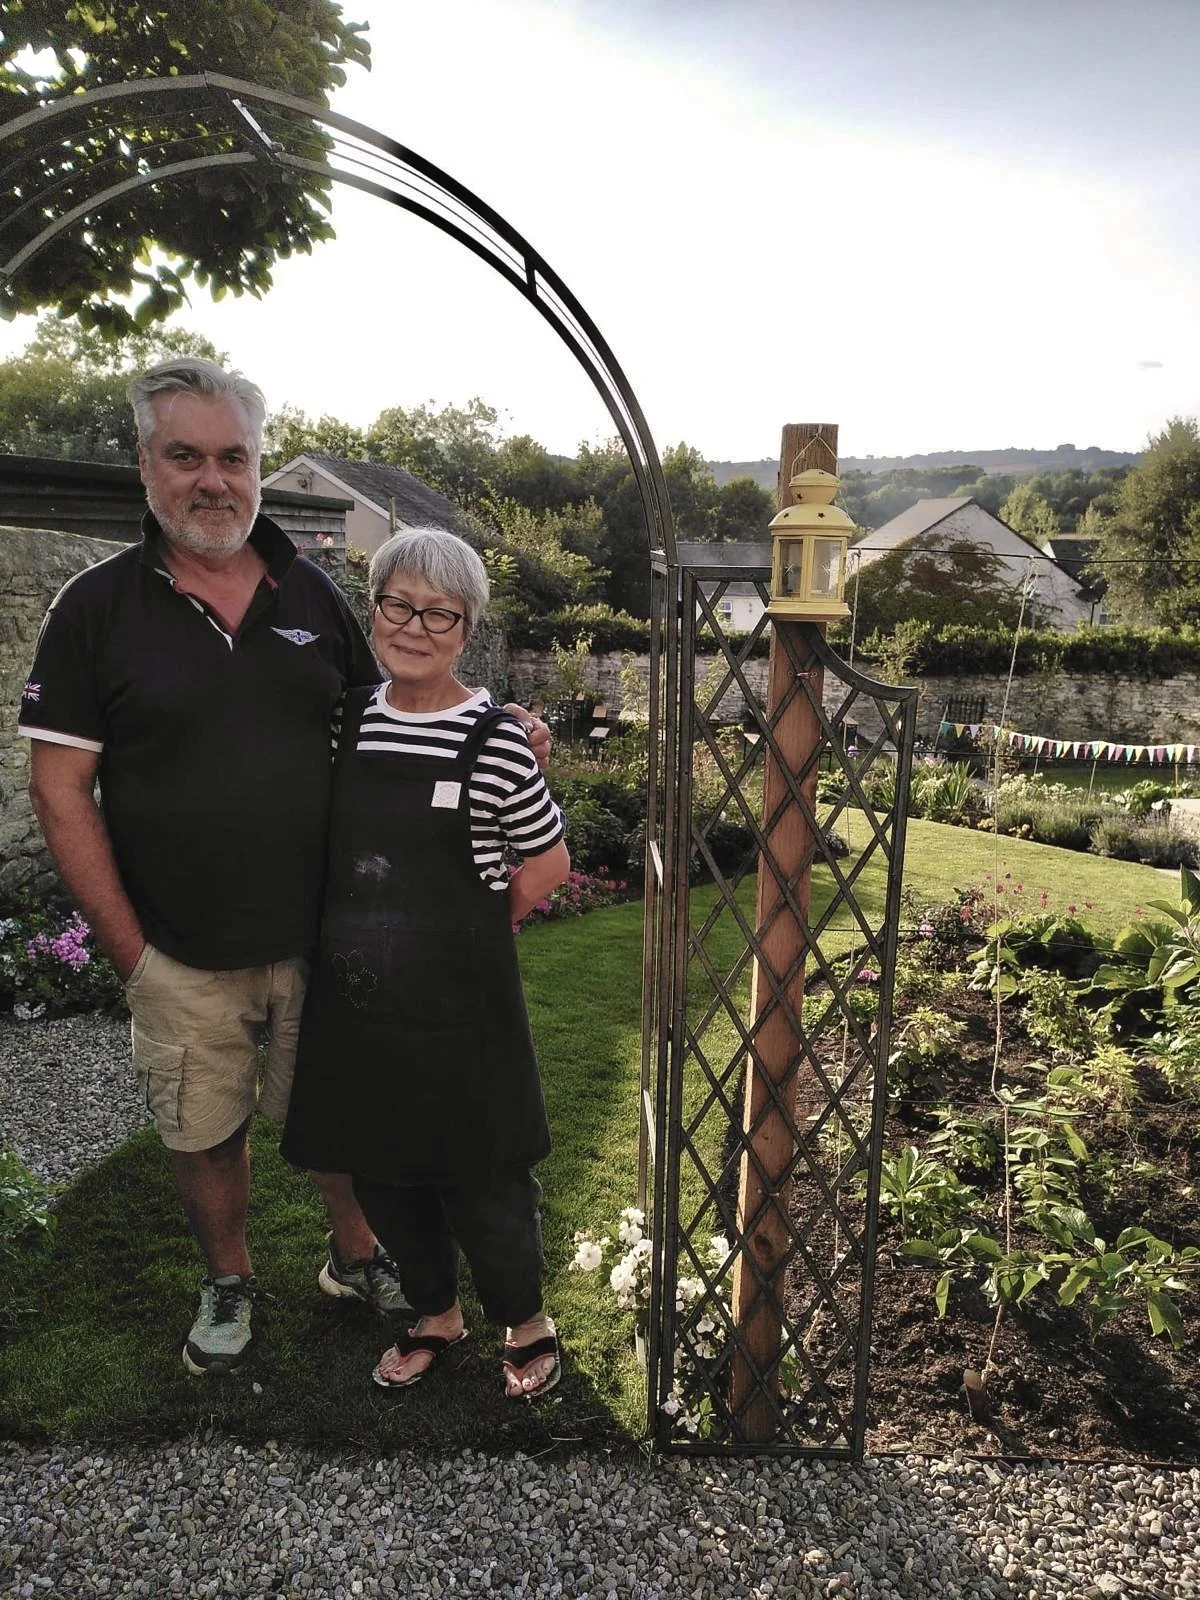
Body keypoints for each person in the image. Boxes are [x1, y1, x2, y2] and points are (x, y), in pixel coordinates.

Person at [18, 358, 549, 1377]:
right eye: (186, 456)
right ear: (145, 464)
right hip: (179, 947)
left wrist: (501, 724)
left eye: (234, 457)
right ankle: (228, 1280)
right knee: (205, 1132)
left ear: (259, 466)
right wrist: (132, 950)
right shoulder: (94, 608)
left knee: (343, 1121)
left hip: (327, 938)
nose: (212, 479)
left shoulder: (312, 593)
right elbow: (58, 790)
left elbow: (398, 705)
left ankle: (358, 1261)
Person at [281, 528, 569, 1399]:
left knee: (483, 1174)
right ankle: (435, 1312)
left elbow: (548, 863)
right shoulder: (346, 722)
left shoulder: (498, 742)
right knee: (383, 1167)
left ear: (465, 627)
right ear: (373, 611)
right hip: (360, 1001)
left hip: (463, 1004)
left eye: (439, 613)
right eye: (398, 604)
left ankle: (525, 1319)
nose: (414, 626)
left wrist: (478, 926)